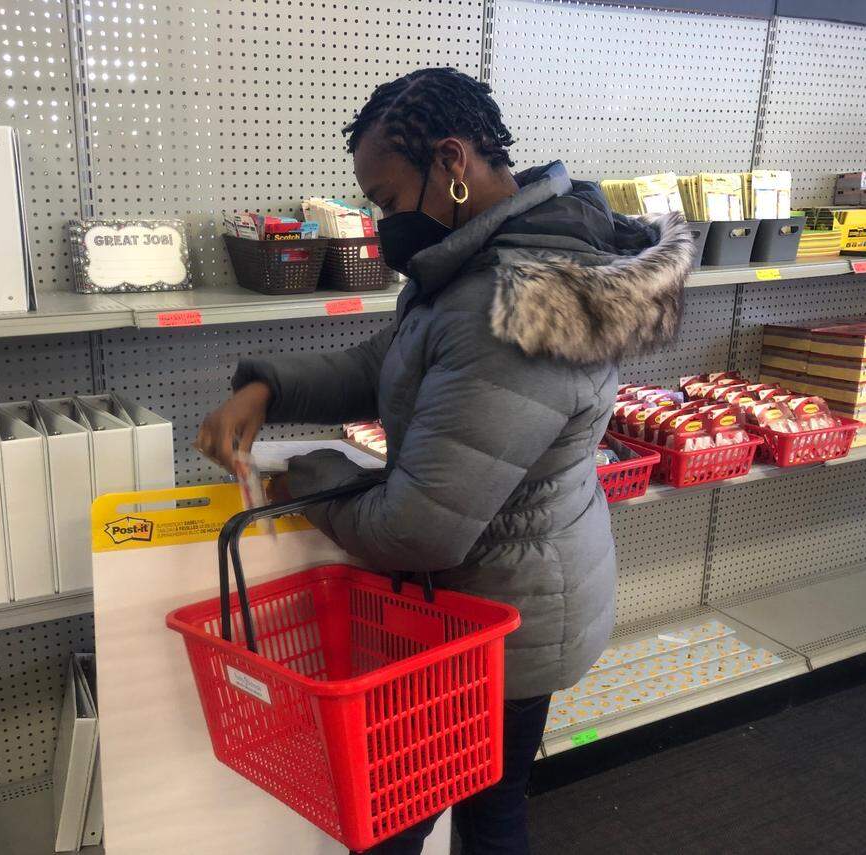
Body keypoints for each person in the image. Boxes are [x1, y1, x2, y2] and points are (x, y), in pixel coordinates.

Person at [196, 67, 692, 854]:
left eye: (388, 199)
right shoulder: (479, 264)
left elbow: (421, 529)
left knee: (410, 818)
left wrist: (310, 482)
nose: (383, 221)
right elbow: (391, 361)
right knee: (485, 806)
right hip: (500, 594)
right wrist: (269, 387)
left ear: (451, 162)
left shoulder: (520, 303)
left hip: (500, 619)